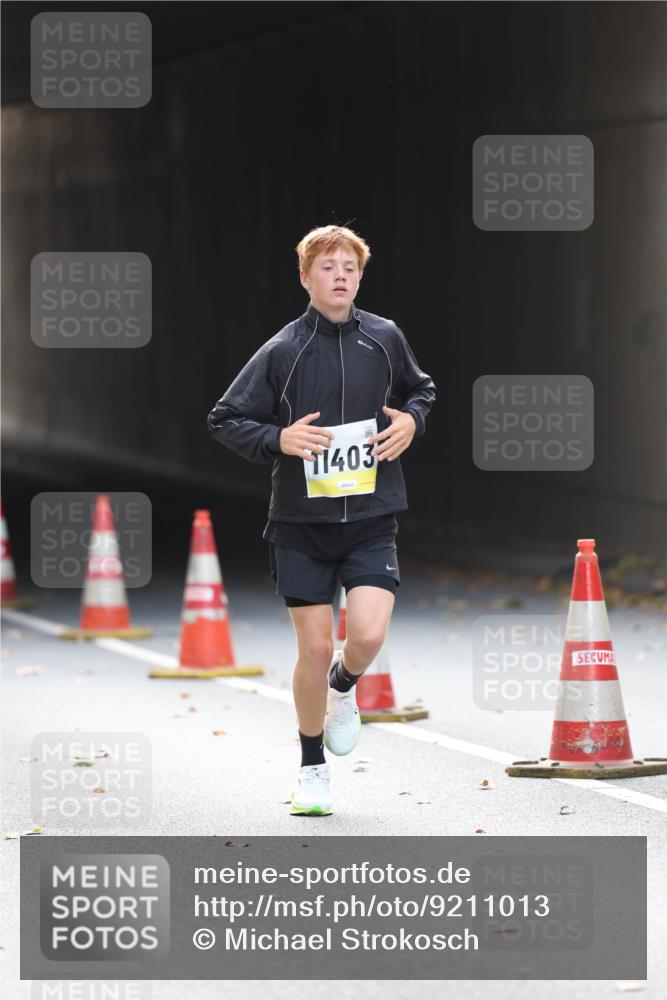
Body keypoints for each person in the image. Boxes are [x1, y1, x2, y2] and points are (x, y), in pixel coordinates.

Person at [207, 225, 435, 815]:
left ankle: (343, 686)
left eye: (350, 268)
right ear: (305, 277)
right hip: (301, 526)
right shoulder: (283, 350)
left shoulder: (384, 337)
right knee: (313, 648)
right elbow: (225, 418)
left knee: (367, 636)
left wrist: (411, 421)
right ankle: (312, 769)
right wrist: (278, 438)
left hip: (371, 518)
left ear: (360, 277)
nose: (340, 276)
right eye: (328, 267)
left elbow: (421, 391)